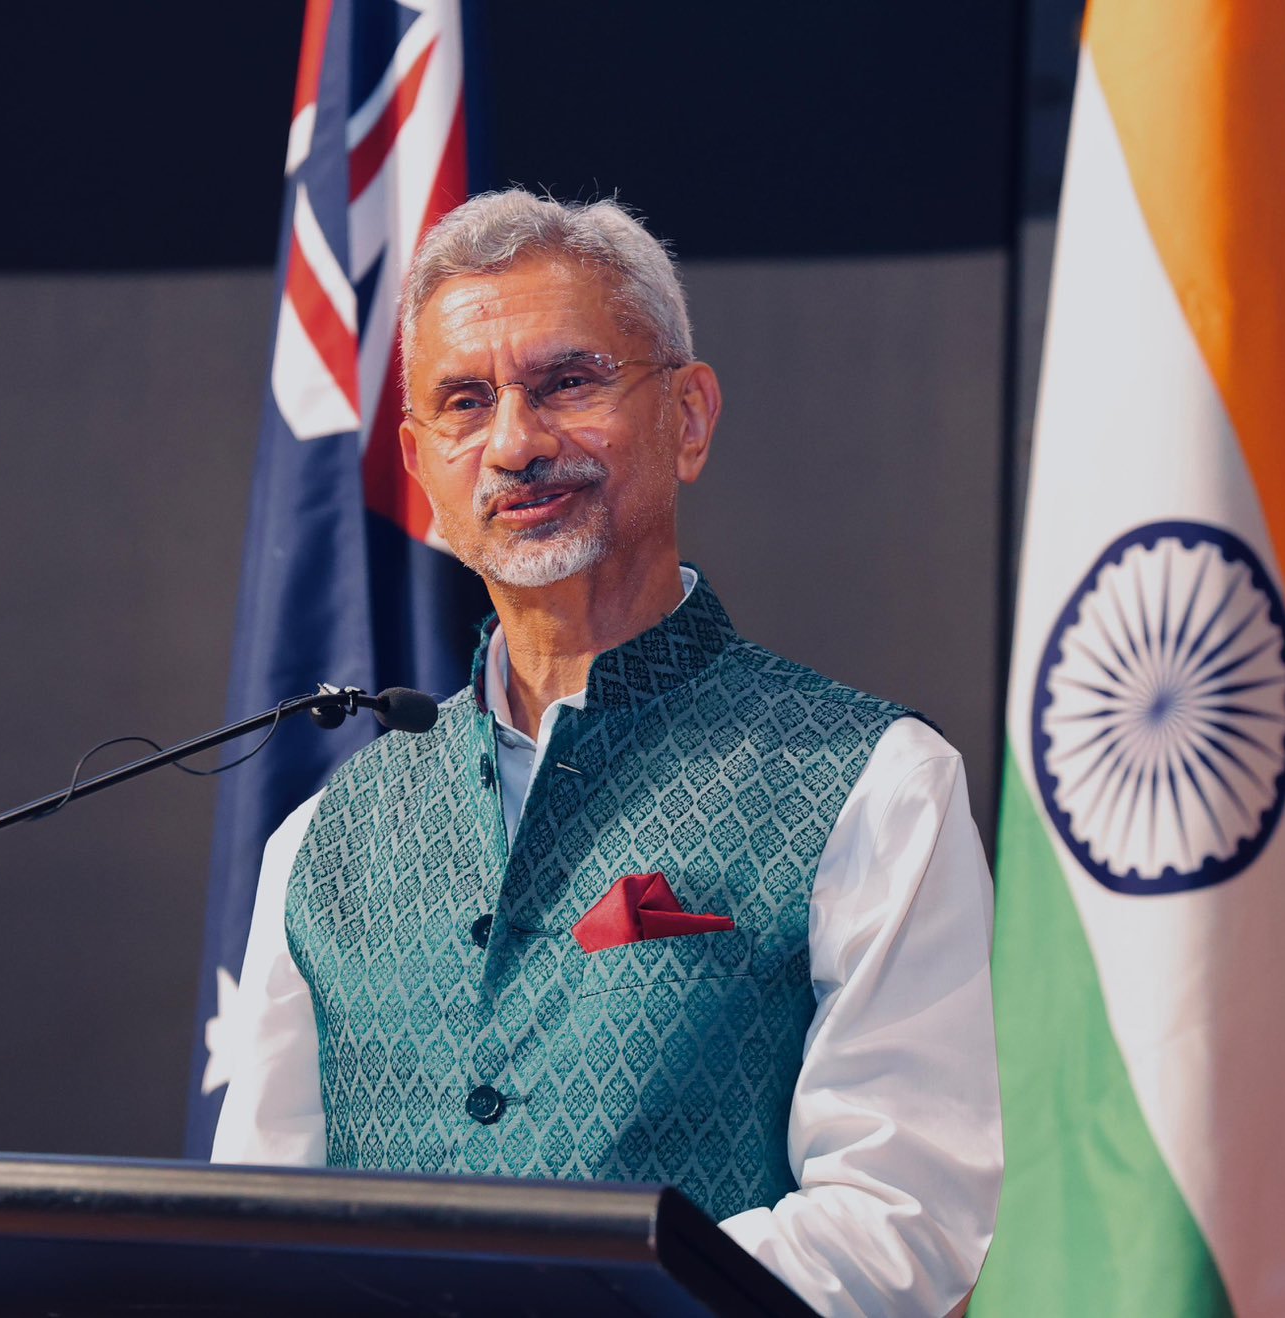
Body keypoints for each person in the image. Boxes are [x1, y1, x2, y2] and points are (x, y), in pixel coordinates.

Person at [211, 189, 1002, 1317]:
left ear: (687, 415)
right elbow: (257, 1236)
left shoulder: (871, 782)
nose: (517, 442)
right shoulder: (321, 841)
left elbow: (900, 1220)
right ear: (422, 471)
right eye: (465, 403)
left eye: (566, 383)